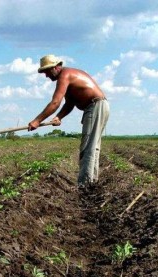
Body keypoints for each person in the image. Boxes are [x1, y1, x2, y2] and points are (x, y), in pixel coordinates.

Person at [28, 55, 110, 187]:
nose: (46, 76)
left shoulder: (64, 75)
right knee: (93, 147)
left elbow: (55, 102)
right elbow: (69, 103)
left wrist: (37, 121)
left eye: (47, 72)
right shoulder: (69, 75)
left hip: (95, 106)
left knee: (88, 146)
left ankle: (85, 185)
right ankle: (91, 182)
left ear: (55, 67)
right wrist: (59, 117)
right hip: (99, 106)